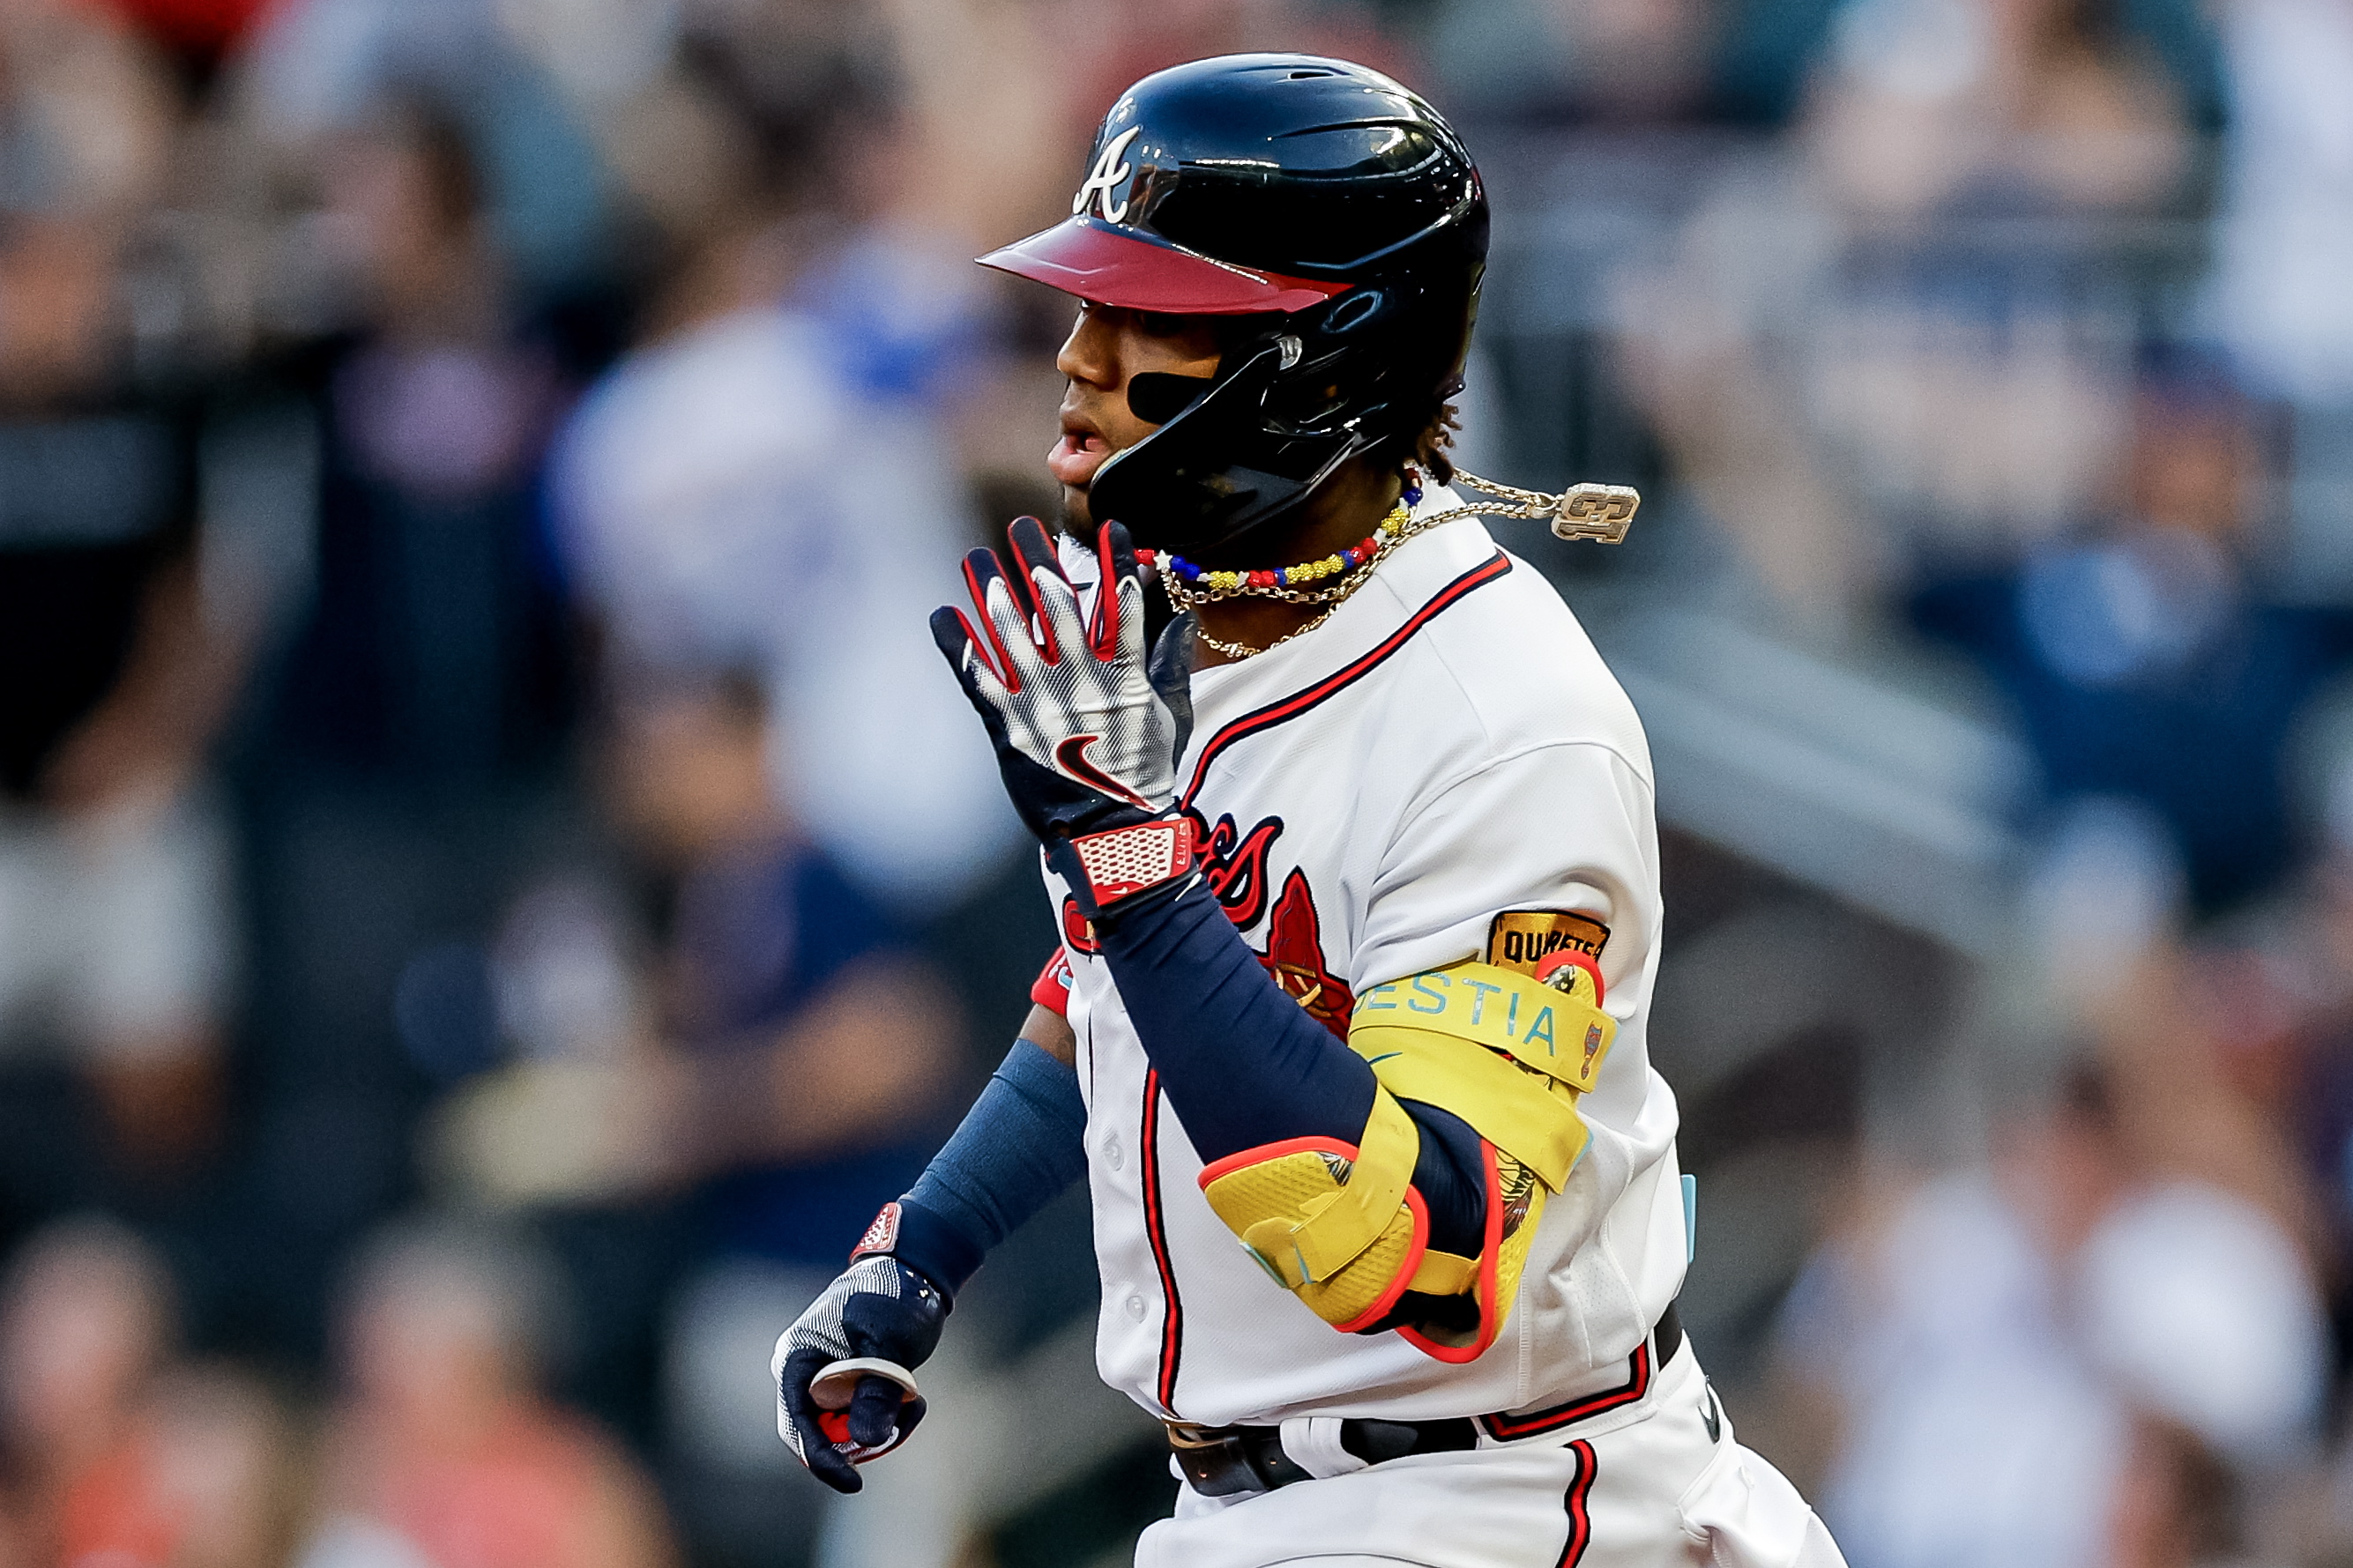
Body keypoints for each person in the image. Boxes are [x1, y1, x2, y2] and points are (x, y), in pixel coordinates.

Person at [770, 54, 1845, 1568]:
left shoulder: (1505, 720)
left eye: (1148, 314)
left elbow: (1423, 1249)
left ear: (1319, 359)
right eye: (1085, 302)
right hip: (1282, 1508)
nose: (1076, 356)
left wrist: (1127, 862)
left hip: (1493, 1501)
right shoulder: (1199, 621)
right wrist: (919, 1250)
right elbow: (1106, 998)